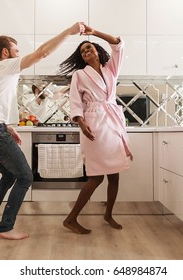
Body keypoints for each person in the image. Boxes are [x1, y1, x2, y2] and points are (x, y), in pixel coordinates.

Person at [0, 22, 82, 240]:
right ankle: (6, 227)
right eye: (16, 51)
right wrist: (68, 31)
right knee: (25, 177)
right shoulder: (5, 66)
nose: (19, 56)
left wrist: (7, 126)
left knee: (8, 176)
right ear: (5, 53)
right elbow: (42, 52)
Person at [58, 24, 133, 234]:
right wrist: (82, 124)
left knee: (115, 174)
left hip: (113, 123)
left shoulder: (111, 69)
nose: (87, 51)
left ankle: (108, 214)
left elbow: (118, 45)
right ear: (82, 58)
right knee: (96, 176)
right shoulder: (80, 75)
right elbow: (75, 102)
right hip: (95, 124)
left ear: (97, 51)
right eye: (83, 51)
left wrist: (95, 33)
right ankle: (71, 218)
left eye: (89, 47)